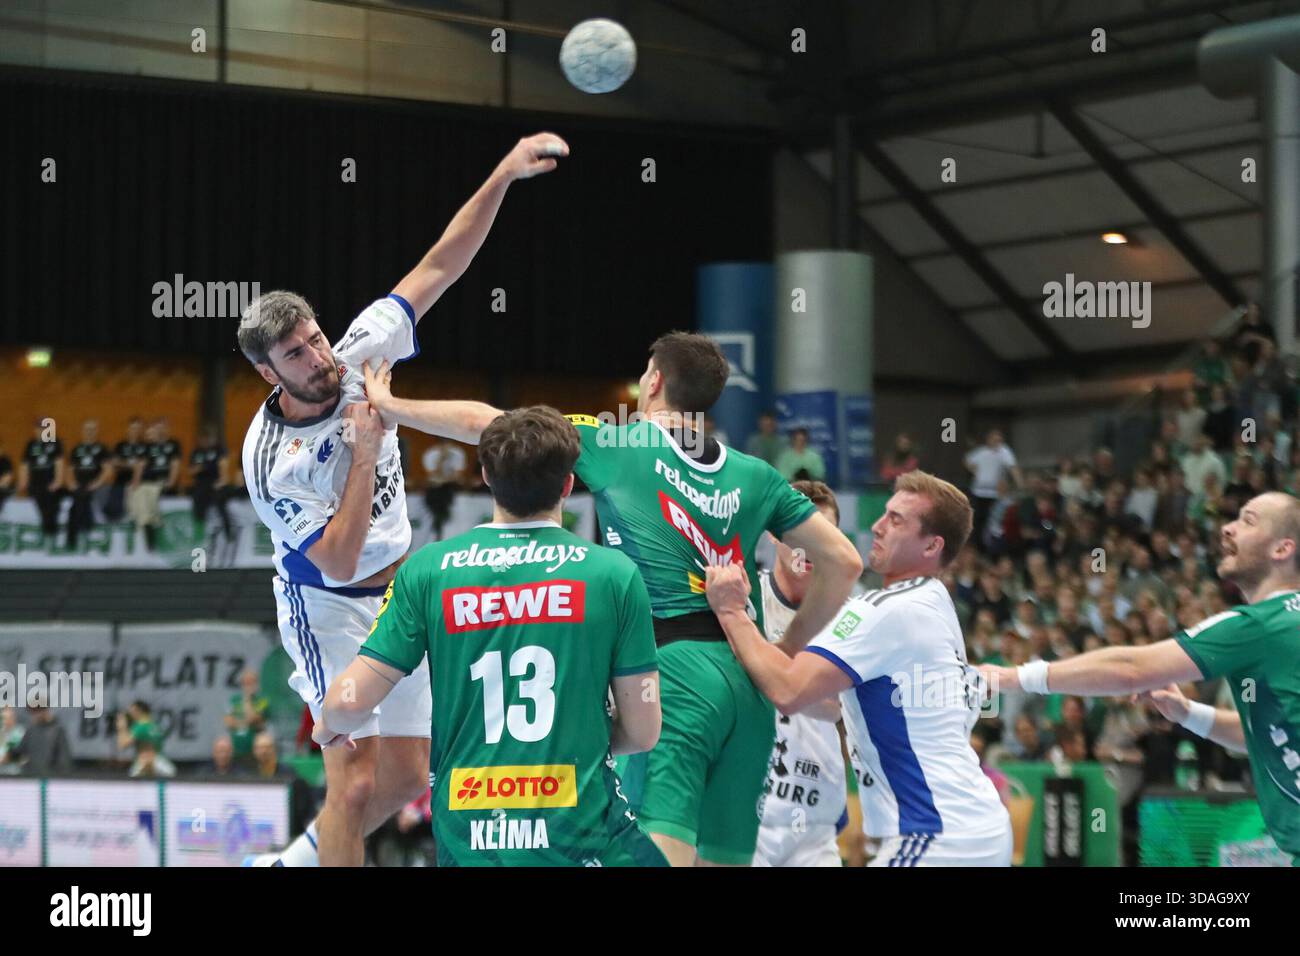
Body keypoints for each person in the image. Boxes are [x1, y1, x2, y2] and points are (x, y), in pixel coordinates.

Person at [359, 332, 862, 866]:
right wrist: (786, 648)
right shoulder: (756, 475)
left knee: (661, 853)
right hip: (747, 687)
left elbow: (488, 423)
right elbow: (845, 562)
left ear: (654, 380)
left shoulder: (617, 441)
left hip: (673, 678)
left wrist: (391, 406)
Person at [236, 131, 568, 867]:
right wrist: (362, 447)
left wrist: (506, 171)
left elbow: (442, 262)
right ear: (269, 374)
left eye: (317, 339)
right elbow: (342, 556)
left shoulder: (359, 355)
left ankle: (286, 865)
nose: (320, 358)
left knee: (407, 778)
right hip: (327, 605)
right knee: (351, 787)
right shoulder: (271, 463)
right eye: (296, 354)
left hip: (402, 594)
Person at [315, 407, 666, 866]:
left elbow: (349, 699)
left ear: (484, 476)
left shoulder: (428, 571)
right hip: (583, 833)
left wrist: (329, 725)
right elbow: (643, 731)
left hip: (470, 838)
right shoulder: (613, 575)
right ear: (567, 484)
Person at [705, 470, 1013, 866]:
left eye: (896, 520)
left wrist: (730, 614)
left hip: (934, 831)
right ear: (775, 537)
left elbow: (788, 691)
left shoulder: (875, 611)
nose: (877, 527)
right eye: (884, 514)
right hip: (964, 823)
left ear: (932, 546)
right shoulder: (933, 601)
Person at [980, 491, 1300, 862]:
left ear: (1282, 549)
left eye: (1248, 520)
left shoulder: (1263, 623)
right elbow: (1270, 737)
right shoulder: (1285, 623)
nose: (1227, 528)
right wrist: (1187, 713)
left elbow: (1132, 669)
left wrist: (1016, 676)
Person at [752, 479, 849, 868]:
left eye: (824, 534)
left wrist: (765, 666)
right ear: (775, 535)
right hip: (747, 812)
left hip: (816, 820)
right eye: (801, 533)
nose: (811, 548)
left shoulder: (851, 618)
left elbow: (838, 705)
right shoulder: (743, 602)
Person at [964, 429, 1019, 554]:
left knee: (992, 521)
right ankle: (977, 548)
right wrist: (977, 472)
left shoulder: (1004, 451)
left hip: (994, 493)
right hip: (979, 492)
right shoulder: (981, 452)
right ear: (988, 439)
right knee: (977, 521)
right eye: (994, 438)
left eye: (998, 439)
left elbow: (1013, 467)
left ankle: (989, 547)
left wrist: (1020, 483)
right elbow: (967, 460)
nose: (996, 441)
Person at [129, 418, 180, 551]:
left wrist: (171, 482)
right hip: (148, 482)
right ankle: (144, 521)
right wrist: (135, 482)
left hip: (162, 481)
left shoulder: (173, 445)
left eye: (162, 428)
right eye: (157, 428)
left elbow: (175, 465)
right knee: (137, 491)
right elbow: (140, 465)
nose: (160, 431)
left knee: (147, 492)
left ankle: (148, 523)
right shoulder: (148, 447)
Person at [65, 419, 112, 549]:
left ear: (96, 431)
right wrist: (71, 484)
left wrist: (97, 483)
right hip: (79, 484)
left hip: (95, 484)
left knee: (77, 502)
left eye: (92, 429)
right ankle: (84, 528)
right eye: (87, 429)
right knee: (78, 499)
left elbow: (108, 470)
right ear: (83, 431)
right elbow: (69, 470)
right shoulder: (76, 449)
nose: (89, 432)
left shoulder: (102, 449)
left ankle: (72, 537)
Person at [189, 422, 233, 552]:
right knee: (198, 501)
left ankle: (228, 532)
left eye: (208, 438)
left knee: (220, 501)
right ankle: (199, 531)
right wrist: (202, 468)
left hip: (216, 483)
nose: (206, 441)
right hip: (201, 484)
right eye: (204, 438)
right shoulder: (197, 452)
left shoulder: (219, 451)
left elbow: (223, 466)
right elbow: (191, 470)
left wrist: (221, 480)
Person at [19, 418, 63, 540]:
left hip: (50, 481)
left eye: (43, 428)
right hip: (35, 483)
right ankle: (49, 531)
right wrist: (23, 483)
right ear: (35, 430)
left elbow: (59, 463)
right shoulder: (30, 445)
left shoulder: (55, 443)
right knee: (41, 501)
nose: (40, 431)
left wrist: (58, 481)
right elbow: (24, 465)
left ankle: (51, 531)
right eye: (38, 428)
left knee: (52, 501)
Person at [420, 437, 467, 540]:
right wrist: (441, 459)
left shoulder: (457, 453)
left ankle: (444, 530)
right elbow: (432, 475)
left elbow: (457, 476)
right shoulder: (431, 454)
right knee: (435, 493)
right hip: (435, 488)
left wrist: (443, 479)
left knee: (447, 492)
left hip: (451, 487)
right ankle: (436, 531)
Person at [12, 699, 72, 775]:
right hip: (31, 777)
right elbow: (17, 752)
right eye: (32, 712)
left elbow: (64, 760)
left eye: (36, 712)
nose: (33, 716)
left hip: (51, 778)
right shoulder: (31, 730)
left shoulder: (58, 731)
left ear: (45, 710)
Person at [105, 417, 147, 521]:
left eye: (138, 429)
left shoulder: (145, 446)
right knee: (113, 504)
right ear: (128, 429)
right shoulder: (120, 445)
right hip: (120, 480)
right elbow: (114, 463)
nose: (135, 431)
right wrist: (131, 464)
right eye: (133, 428)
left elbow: (142, 464)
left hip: (137, 482)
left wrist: (124, 463)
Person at [225, 669, 270, 763]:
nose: (248, 686)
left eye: (251, 682)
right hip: (236, 749)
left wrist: (247, 699)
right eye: (245, 682)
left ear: (256, 684)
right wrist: (245, 723)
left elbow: (252, 719)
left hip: (255, 751)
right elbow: (228, 723)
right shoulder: (234, 700)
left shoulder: (262, 701)